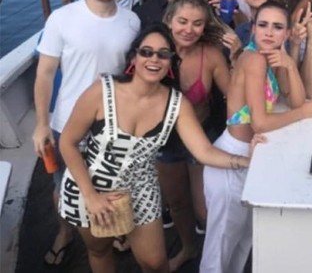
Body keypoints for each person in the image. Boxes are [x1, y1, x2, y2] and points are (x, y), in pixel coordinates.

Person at [57, 24, 262, 273]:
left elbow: (204, 152)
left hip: (140, 189)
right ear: (133, 58)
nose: (154, 59)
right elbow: (67, 142)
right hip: (90, 187)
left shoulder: (176, 104)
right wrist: (91, 196)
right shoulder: (101, 90)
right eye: (146, 52)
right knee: (100, 251)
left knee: (156, 264)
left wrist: (245, 162)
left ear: (170, 63)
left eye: (163, 54)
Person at [32, 0, 140, 266]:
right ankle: (65, 232)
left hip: (115, 123)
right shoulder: (61, 19)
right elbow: (44, 74)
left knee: (112, 179)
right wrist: (41, 124)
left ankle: (112, 230)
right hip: (67, 121)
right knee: (62, 184)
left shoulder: (131, 20)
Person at [200, 0, 312, 273]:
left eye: (277, 27)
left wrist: (289, 64)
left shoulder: (271, 57)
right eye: (263, 25)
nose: (269, 32)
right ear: (253, 28)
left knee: (242, 241)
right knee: (219, 252)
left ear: (287, 33)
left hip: (252, 156)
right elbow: (262, 122)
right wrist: (303, 114)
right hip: (231, 158)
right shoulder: (253, 59)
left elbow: (295, 99)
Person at [159, 0, 232, 271]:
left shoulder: (210, 55)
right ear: (169, 20)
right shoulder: (153, 54)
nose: (189, 29)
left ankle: (217, 258)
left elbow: (232, 96)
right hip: (165, 142)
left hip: (201, 137)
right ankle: (188, 248)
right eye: (183, 21)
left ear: (204, 27)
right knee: (177, 203)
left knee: (204, 208)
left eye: (197, 23)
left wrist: (249, 132)